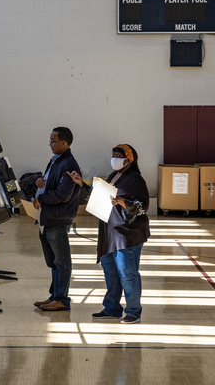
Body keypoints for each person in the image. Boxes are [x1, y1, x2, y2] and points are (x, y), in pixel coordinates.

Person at [68, 144, 150, 323]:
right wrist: (82, 184)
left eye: (119, 155)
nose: (115, 158)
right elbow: (100, 195)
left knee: (127, 273)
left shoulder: (136, 179)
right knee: (111, 272)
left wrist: (123, 202)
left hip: (127, 234)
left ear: (129, 159)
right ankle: (112, 308)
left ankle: (133, 312)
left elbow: (143, 206)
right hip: (109, 233)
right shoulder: (114, 176)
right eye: (113, 154)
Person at [32, 127, 82, 312]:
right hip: (48, 217)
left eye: (53, 141)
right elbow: (50, 183)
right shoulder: (56, 160)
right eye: (50, 140)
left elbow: (63, 194)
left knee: (62, 261)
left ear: (64, 142)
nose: (50, 144)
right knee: (54, 261)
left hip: (58, 219)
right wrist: (39, 181)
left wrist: (42, 198)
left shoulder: (69, 164)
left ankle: (61, 299)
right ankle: (54, 296)